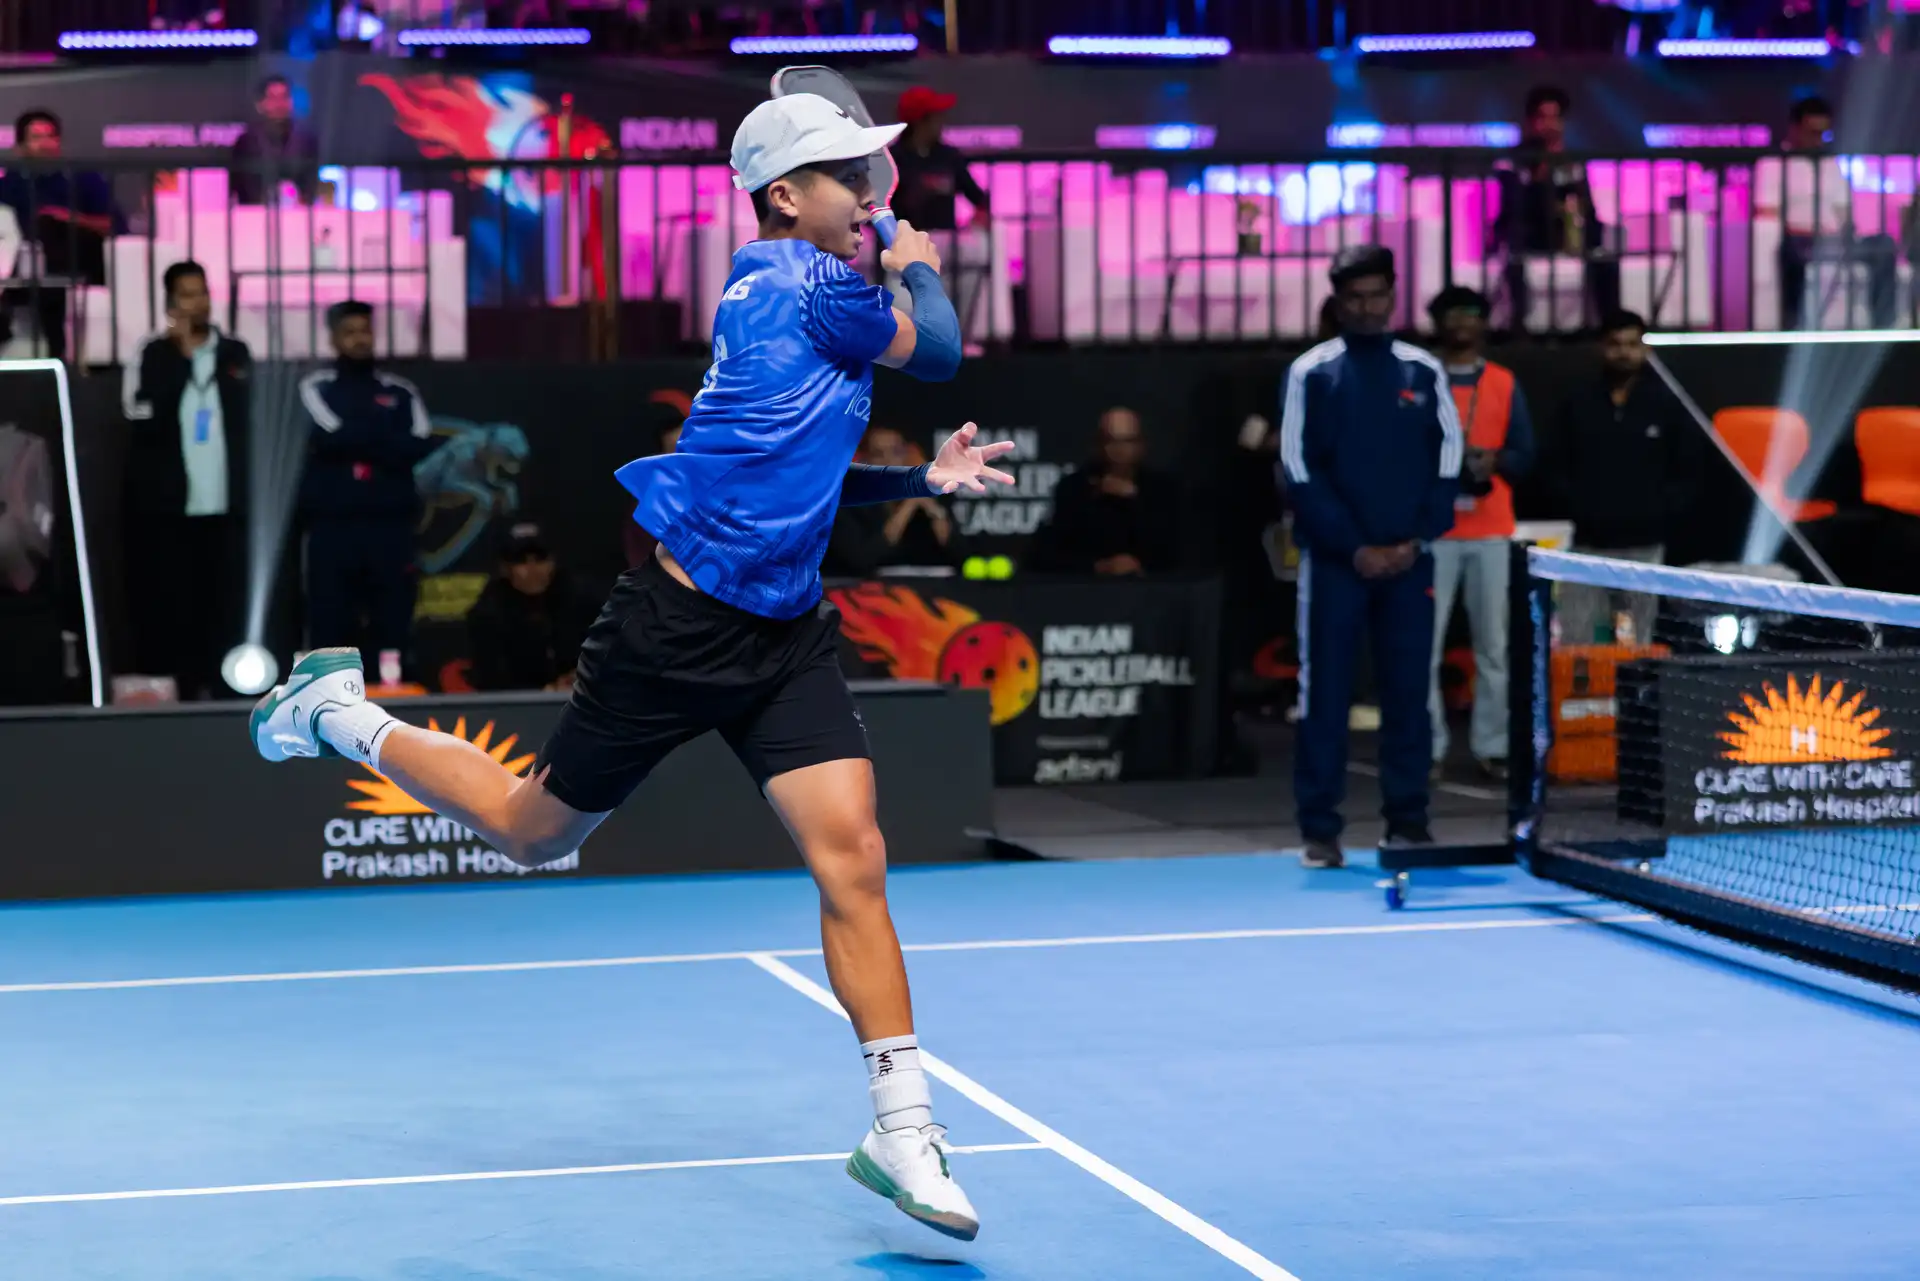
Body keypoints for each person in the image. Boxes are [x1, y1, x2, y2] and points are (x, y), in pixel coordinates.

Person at [250, 92, 1007, 1239]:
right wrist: (918, 264)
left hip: (784, 634)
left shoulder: (799, 297)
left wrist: (919, 481)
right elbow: (940, 350)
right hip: (677, 628)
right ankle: (339, 713)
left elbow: (791, 478)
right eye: (849, 176)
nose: (871, 196)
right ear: (785, 196)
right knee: (534, 833)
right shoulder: (807, 285)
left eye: (874, 177)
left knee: (854, 856)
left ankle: (904, 1130)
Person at [1277, 245, 1463, 870]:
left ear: (1392, 296)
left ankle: (1409, 824)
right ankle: (1319, 831)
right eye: (1354, 297)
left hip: (1410, 564)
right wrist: (1353, 547)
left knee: (1409, 694)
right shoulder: (1311, 373)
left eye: (1376, 294)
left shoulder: (1423, 371)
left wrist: (1414, 540)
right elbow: (1298, 469)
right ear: (1337, 302)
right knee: (1325, 696)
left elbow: (1448, 463)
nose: (1366, 307)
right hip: (1336, 567)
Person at [120, 260, 254, 700]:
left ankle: (227, 687)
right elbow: (140, 415)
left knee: (225, 603)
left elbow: (250, 416)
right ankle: (183, 687)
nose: (199, 303)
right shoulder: (152, 354)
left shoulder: (234, 353)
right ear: (170, 304)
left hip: (225, 505)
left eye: (203, 293)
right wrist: (180, 359)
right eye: (188, 295)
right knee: (175, 604)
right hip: (172, 508)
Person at [1423, 287, 1534, 781]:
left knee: (1494, 646)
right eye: (1452, 315)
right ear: (1437, 322)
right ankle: (1426, 747)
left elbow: (1526, 454)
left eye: (1471, 314)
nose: (1462, 323)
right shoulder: (1419, 379)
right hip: (1432, 529)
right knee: (1422, 646)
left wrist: (1496, 461)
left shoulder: (1504, 382)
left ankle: (1494, 746)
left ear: (1485, 324)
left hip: (1490, 529)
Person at [1540, 310, 1700, 645]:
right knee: (1578, 644)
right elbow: (1554, 463)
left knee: (1639, 644)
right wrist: (1580, 508)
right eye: (1615, 344)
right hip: (1587, 547)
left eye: (1632, 344)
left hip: (1645, 545)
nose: (1624, 352)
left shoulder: (1666, 403)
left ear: (1645, 349)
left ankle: (1634, 685)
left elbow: (1688, 469)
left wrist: (1659, 513)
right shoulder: (1577, 402)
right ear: (1601, 348)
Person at [297, 301, 442, 672]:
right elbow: (328, 436)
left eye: (365, 330)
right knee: (330, 621)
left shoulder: (401, 391)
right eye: (350, 332)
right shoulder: (316, 387)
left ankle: (393, 692)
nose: (360, 339)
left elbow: (419, 446)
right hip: (334, 527)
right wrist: (385, 439)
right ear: (333, 338)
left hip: (390, 527)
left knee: (393, 621)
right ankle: (328, 697)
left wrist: (356, 440)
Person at [1756, 96, 1896, 330]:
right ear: (1795, 129)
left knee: (1884, 245)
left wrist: (1845, 230)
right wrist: (1811, 231)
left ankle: (1884, 328)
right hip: (1800, 240)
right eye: (1813, 133)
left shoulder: (1831, 164)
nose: (1818, 140)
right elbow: (1767, 213)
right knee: (1790, 251)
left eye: (1824, 134)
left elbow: (1845, 212)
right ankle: (1792, 328)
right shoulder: (1772, 165)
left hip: (1837, 241)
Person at [1494, 86, 1621, 334]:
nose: (1550, 125)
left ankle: (1609, 329)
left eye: (1555, 118)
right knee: (1514, 254)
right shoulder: (1512, 160)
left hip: (1567, 235)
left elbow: (1586, 206)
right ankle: (1519, 331)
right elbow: (1514, 205)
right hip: (1527, 235)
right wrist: (1541, 171)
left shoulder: (1572, 161)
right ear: (1531, 122)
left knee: (1604, 260)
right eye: (1543, 118)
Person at [0, 110, 121, 360]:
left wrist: (67, 218)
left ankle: (58, 353)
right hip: (22, 269)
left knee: (48, 226)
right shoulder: (9, 184)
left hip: (81, 261)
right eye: (36, 138)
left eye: (51, 137)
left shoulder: (82, 177)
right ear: (20, 147)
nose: (46, 144)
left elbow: (112, 225)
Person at [1026, 407, 1181, 576]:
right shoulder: (1073, 489)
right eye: (1111, 441)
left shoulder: (1163, 490)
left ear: (1142, 445)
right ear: (1098, 445)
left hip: (1154, 587)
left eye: (1128, 441)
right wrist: (1100, 567)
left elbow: (1179, 551)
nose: (1120, 450)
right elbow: (1043, 556)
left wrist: (1135, 500)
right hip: (1088, 587)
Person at [887, 86, 990, 339]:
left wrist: (978, 217)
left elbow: (979, 198)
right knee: (910, 315)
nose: (943, 122)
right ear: (920, 121)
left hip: (946, 243)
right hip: (906, 245)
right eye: (936, 116)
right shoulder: (892, 158)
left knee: (970, 262)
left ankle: (960, 340)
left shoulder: (949, 156)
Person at [465, 522, 599, 692]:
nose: (533, 569)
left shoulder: (581, 600)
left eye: (540, 559)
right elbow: (490, 680)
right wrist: (546, 690)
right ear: (505, 568)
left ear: (552, 562)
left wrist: (580, 676)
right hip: (520, 703)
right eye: (521, 561)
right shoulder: (487, 614)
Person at [825, 426, 967, 576]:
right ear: (864, 460)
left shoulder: (936, 493)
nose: (889, 461)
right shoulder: (851, 502)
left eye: (896, 452)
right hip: (876, 586)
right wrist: (907, 506)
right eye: (878, 454)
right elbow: (862, 559)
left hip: (934, 585)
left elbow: (961, 555)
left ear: (908, 454)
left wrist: (936, 513)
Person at [230, 75, 321, 206]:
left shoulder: (306, 140)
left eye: (284, 97)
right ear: (260, 104)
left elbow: (311, 182)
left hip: (298, 212)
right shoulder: (246, 142)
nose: (280, 104)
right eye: (273, 98)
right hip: (256, 212)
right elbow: (239, 186)